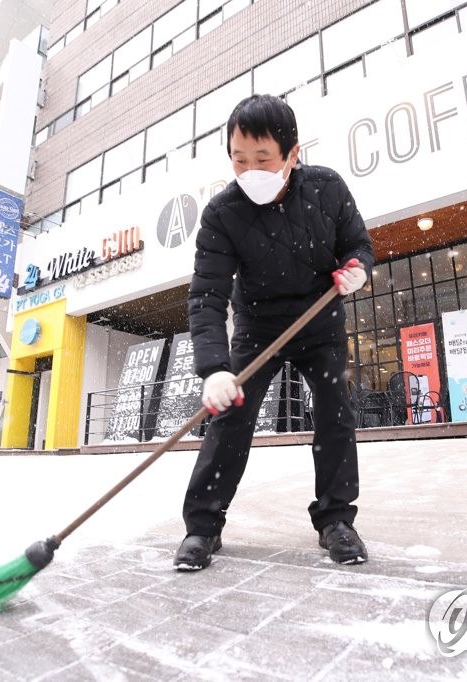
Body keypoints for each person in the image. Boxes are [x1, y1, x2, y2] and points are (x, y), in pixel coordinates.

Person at [175, 94, 374, 570]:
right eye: (239, 159)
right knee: (230, 418)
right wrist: (215, 368)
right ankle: (203, 527)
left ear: (293, 154)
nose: (250, 171)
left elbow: (358, 246)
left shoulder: (327, 189)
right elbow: (207, 295)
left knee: (334, 412)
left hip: (319, 323)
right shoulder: (222, 213)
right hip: (259, 328)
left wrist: (356, 269)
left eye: (263, 159)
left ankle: (336, 522)